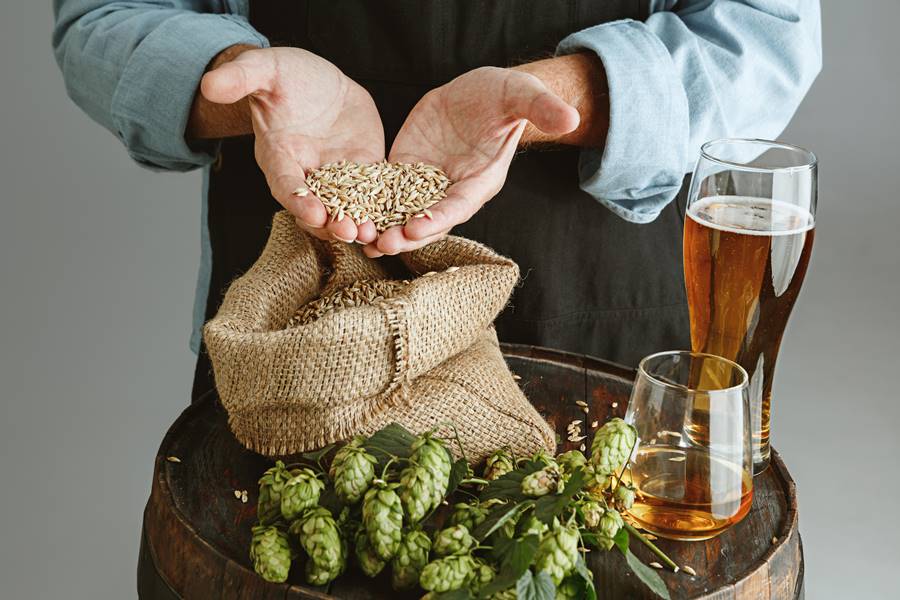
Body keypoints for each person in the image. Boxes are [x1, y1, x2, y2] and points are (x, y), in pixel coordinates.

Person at [53, 0, 821, 404]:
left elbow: (767, 38)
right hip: (300, 344)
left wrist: (554, 98)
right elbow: (102, 18)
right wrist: (243, 81)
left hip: (599, 328)